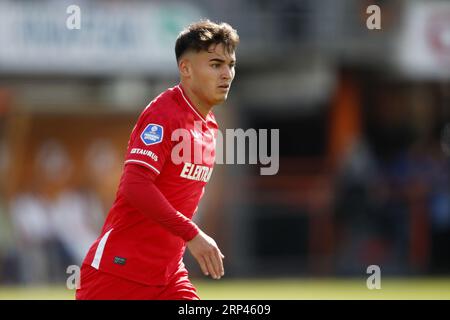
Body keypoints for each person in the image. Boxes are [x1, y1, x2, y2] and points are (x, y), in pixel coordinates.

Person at [76, 20, 239, 300]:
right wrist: (192, 234)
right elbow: (135, 185)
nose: (226, 74)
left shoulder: (209, 126)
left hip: (168, 276)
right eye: (215, 64)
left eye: (230, 64)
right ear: (185, 69)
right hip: (119, 273)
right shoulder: (164, 115)